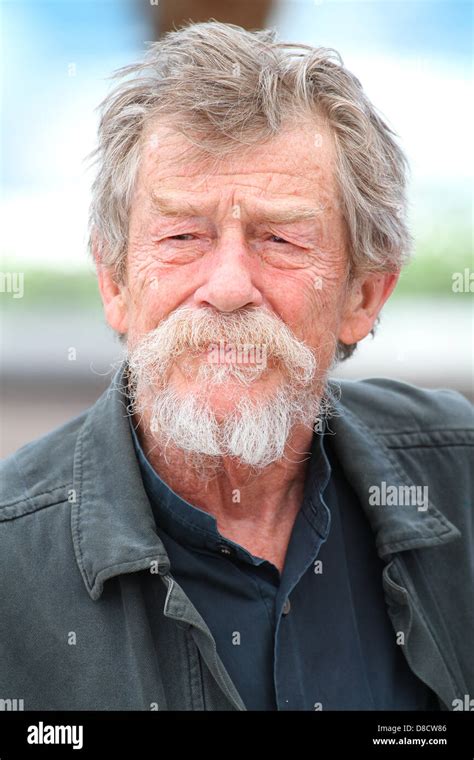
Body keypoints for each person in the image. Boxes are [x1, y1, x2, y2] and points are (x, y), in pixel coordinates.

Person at [1, 22, 472, 711]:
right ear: (116, 284)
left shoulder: (460, 479)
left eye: (279, 238)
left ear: (363, 295)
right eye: (183, 236)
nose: (226, 288)